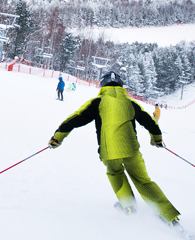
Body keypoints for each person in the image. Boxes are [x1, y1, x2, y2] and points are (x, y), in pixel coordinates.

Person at [47, 71, 181, 226]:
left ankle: (129, 206)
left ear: (102, 85)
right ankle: (169, 215)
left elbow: (75, 119)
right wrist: (157, 140)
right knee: (144, 181)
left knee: (115, 173)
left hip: (109, 152)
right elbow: (150, 122)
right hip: (131, 150)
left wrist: (57, 138)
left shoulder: (98, 102)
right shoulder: (130, 103)